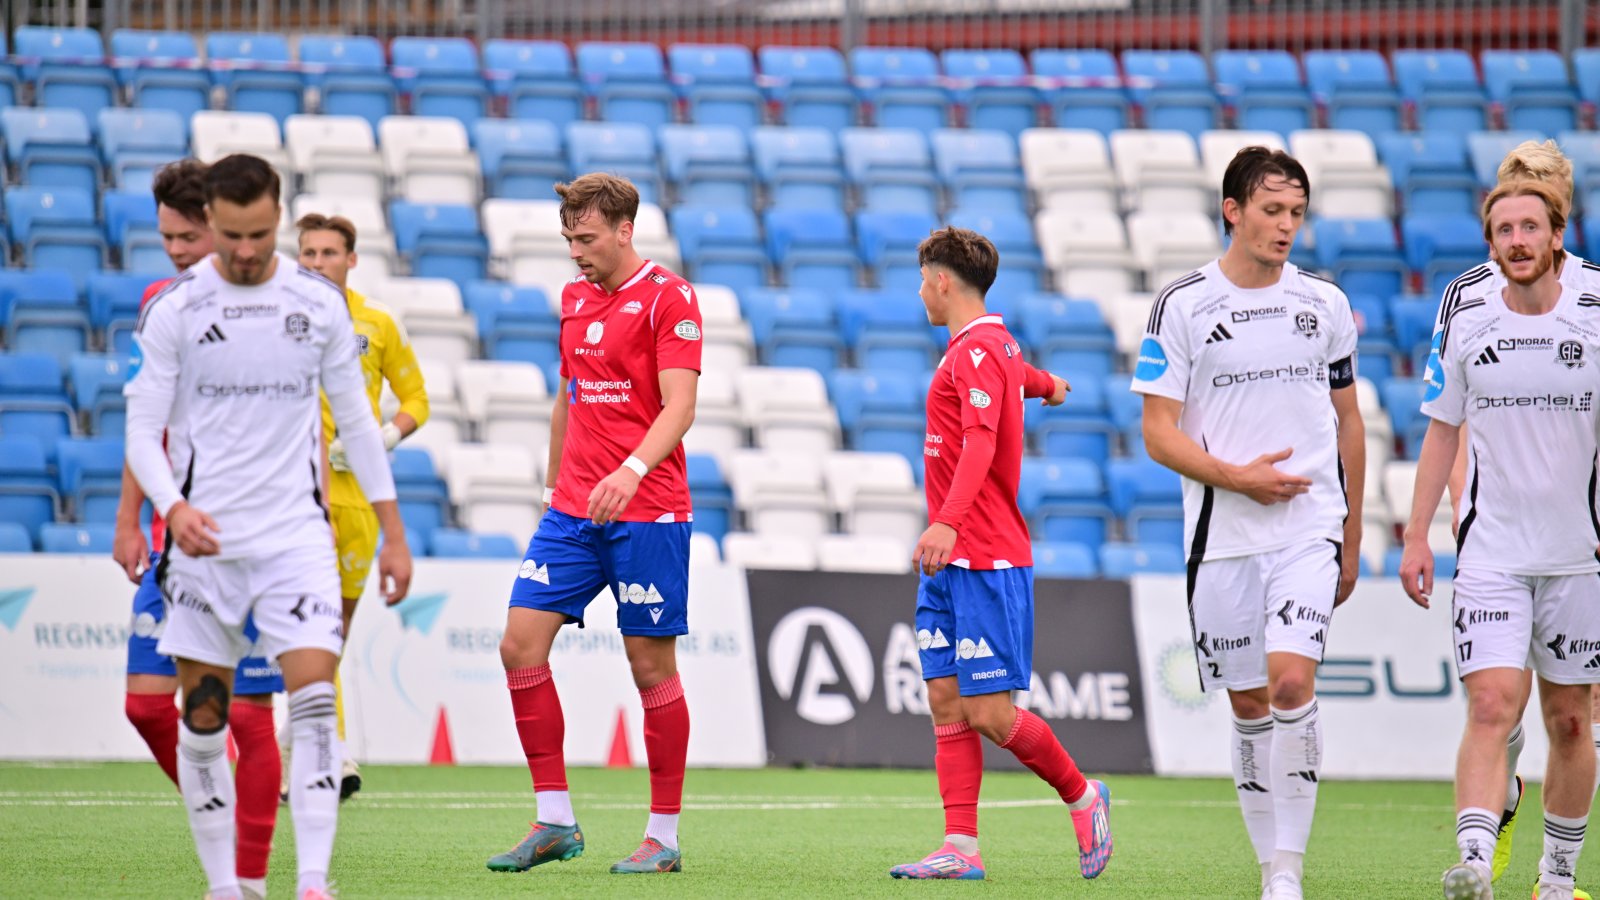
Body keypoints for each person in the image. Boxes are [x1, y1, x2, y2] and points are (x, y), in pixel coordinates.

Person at [123, 153, 412, 900]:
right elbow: (141, 430)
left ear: (277, 216)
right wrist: (171, 507)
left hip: (296, 540)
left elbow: (358, 422)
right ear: (211, 221)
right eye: (231, 236)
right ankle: (228, 887)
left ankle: (311, 881)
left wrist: (394, 531)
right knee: (203, 719)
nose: (246, 251)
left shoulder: (318, 305)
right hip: (206, 546)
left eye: (258, 234)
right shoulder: (177, 308)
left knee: (311, 705)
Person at [1131, 147, 1365, 900]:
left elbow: (1349, 422)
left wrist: (1352, 533)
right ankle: (1270, 868)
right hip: (1221, 537)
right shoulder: (1182, 305)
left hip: (1308, 527)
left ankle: (1288, 871)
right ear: (1233, 211)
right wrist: (1239, 478)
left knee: (1291, 680)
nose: (1286, 225)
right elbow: (1157, 432)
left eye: (1296, 212)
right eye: (1272, 210)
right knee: (1248, 702)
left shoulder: (1324, 304)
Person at [486, 173, 700, 876]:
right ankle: (554, 820)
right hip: (573, 511)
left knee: (649, 668)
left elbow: (680, 406)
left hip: (647, 509)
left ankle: (662, 838)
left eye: (586, 238)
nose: (575, 252)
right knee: (519, 645)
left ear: (624, 230)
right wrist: (555, 488)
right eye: (568, 239)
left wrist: (630, 470)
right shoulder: (574, 298)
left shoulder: (670, 297)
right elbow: (568, 398)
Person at [887, 226, 1113, 883]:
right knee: (944, 697)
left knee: (988, 712)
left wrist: (946, 523)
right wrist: (1050, 385)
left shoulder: (979, 348)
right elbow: (1019, 375)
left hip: (983, 555)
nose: (920, 293)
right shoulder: (989, 347)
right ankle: (960, 846)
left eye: (923, 280)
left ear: (942, 281)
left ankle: (1083, 795)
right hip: (951, 562)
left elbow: (981, 442)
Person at [1404, 179, 1600, 900]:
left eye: (1530, 227)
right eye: (1504, 230)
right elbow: (1441, 433)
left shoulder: (1596, 316)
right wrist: (1418, 535)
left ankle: (1556, 880)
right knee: (1491, 705)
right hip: (1491, 555)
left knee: (1572, 723)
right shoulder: (1467, 321)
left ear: (1557, 237)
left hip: (1579, 558)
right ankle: (1475, 864)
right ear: (1490, 245)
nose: (1518, 241)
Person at [114, 158, 283, 900]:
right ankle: (231, 816)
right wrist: (129, 519)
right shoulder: (161, 303)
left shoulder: (271, 304)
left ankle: (248, 876)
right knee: (146, 704)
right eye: (168, 239)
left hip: (252, 540)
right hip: (174, 539)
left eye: (188, 237)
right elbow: (144, 423)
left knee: (248, 713)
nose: (177, 251)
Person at [295, 212, 430, 801]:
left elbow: (417, 398)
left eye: (329, 252)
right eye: (308, 253)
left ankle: (302, 738)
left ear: (351, 259)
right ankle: (329, 749)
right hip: (298, 495)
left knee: (336, 631)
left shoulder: (377, 322)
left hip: (361, 499)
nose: (318, 262)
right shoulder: (280, 318)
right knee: (313, 624)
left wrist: (384, 437)